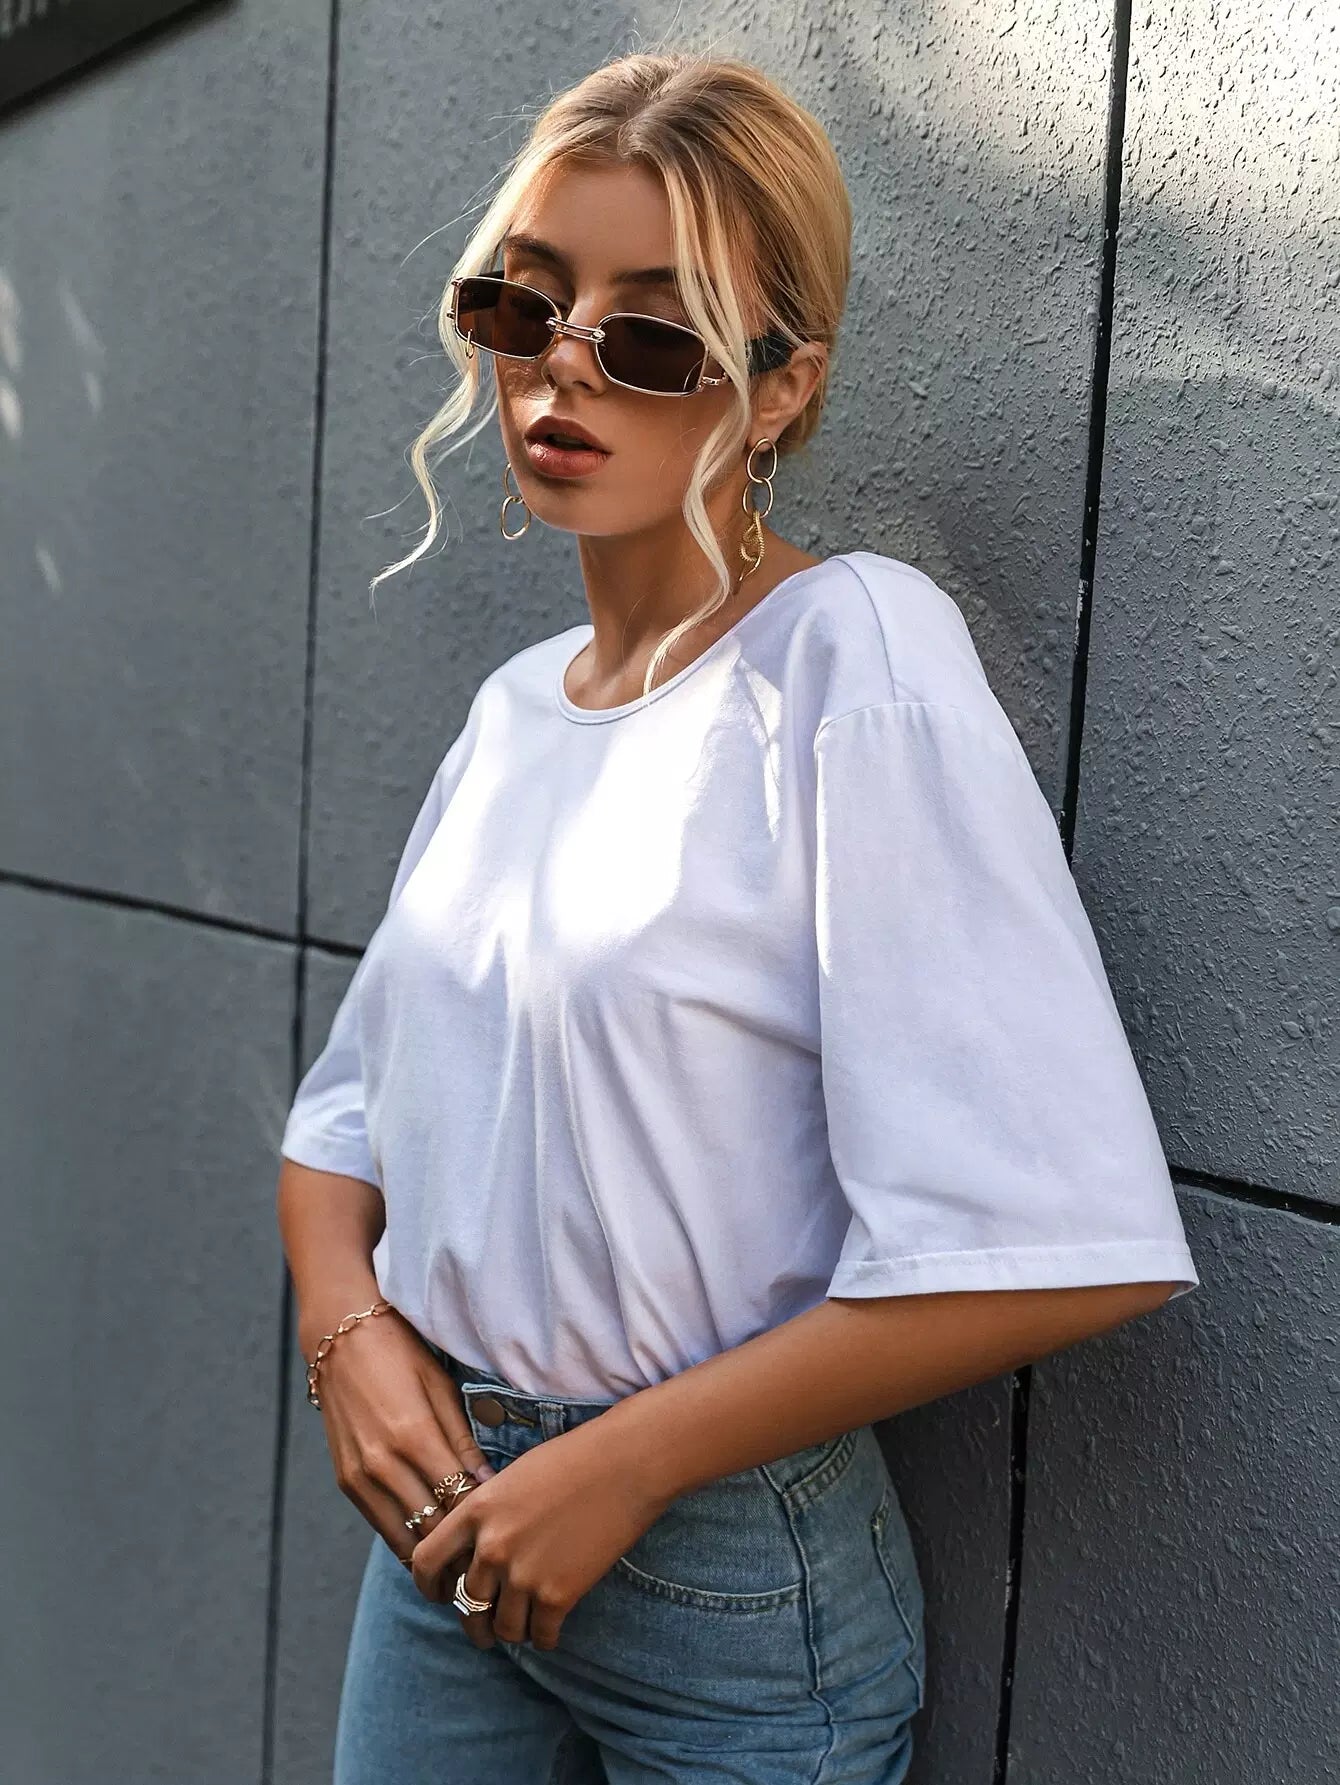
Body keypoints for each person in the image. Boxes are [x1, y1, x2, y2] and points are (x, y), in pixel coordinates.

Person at [276, 48, 1200, 1785]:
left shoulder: (853, 657)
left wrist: (624, 1463)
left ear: (780, 392)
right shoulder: (513, 712)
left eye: (654, 335)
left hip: (722, 1580)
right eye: (524, 305)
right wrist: (350, 1337)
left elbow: (1067, 1234)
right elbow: (341, 1127)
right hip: (447, 1534)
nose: (565, 367)